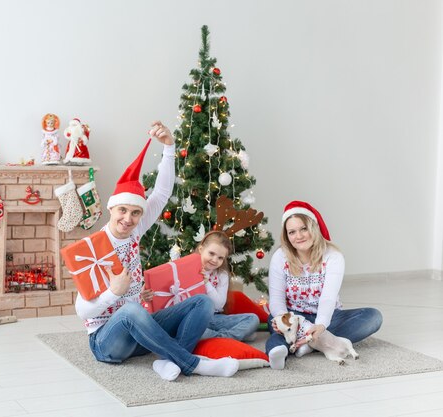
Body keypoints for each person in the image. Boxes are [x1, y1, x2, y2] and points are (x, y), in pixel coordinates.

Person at [74, 121, 239, 382]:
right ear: (111, 209)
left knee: (203, 302)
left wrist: (169, 148)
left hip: (139, 337)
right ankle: (192, 363)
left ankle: (169, 360)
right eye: (123, 210)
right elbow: (82, 311)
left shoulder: (134, 232)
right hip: (106, 344)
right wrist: (112, 293)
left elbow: (161, 193)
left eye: (136, 212)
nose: (128, 218)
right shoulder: (94, 247)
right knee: (129, 310)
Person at [265, 201, 383, 370]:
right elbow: (276, 300)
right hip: (294, 318)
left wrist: (320, 325)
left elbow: (328, 297)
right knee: (275, 322)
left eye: (303, 229)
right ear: (287, 236)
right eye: (292, 232)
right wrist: (289, 321)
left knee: (373, 317)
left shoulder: (333, 256)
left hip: (328, 318)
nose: (298, 236)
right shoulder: (280, 257)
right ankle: (283, 349)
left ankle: (307, 343)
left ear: (313, 227)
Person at [193, 230, 259, 341]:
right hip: (193, 320)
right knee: (195, 331)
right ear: (201, 250)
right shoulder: (189, 269)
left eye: (220, 258)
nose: (215, 260)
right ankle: (233, 336)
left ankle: (221, 338)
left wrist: (207, 283)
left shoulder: (221, 275)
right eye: (211, 253)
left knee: (253, 319)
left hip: (214, 318)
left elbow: (219, 304)